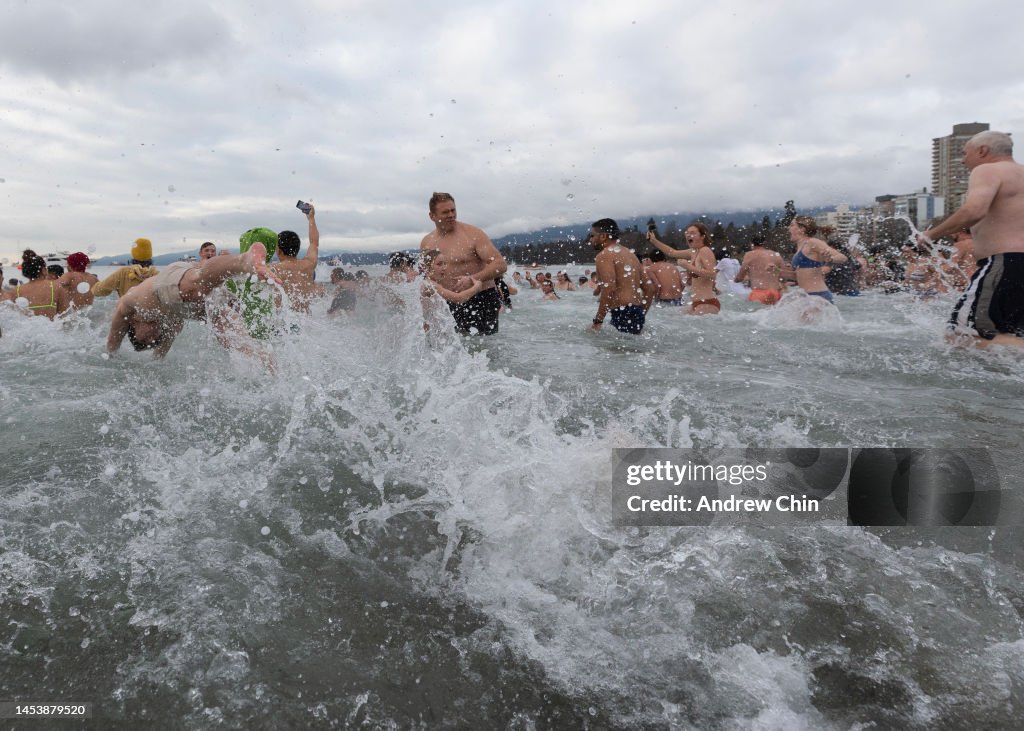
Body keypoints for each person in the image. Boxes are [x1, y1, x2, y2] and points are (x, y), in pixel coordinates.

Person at [921, 131, 1024, 346]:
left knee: (961, 336)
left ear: (983, 150)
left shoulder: (987, 170)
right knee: (1012, 336)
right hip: (1014, 265)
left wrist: (930, 235)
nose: (962, 159)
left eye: (964, 153)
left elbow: (974, 211)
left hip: (1006, 263)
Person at [105, 244, 280, 359]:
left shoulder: (131, 305)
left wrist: (111, 355)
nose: (152, 339)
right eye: (153, 342)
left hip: (166, 284)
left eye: (144, 339)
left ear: (134, 326)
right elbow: (159, 356)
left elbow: (115, 332)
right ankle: (268, 364)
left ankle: (243, 261)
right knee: (235, 343)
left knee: (197, 285)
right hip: (194, 303)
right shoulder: (171, 326)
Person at [419, 192, 507, 335]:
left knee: (483, 348)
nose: (451, 215)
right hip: (447, 300)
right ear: (432, 216)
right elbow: (426, 276)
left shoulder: (473, 234)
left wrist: (473, 279)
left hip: (480, 299)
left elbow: (500, 265)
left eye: (453, 210)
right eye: (445, 212)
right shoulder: (427, 242)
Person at [590, 218, 655, 334]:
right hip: (636, 311)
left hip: (622, 312)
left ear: (603, 236)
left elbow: (609, 287)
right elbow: (650, 289)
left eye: (593, 235)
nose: (591, 240)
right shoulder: (631, 255)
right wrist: (641, 314)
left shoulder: (604, 255)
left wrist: (598, 321)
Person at [649, 223, 720, 314]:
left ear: (703, 236)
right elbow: (672, 253)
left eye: (693, 233)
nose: (689, 235)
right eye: (687, 233)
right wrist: (654, 241)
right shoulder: (693, 252)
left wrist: (688, 266)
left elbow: (712, 273)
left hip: (707, 302)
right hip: (696, 303)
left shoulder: (705, 250)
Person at [273, 204, 321, 312]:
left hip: (285, 324)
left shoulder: (274, 269)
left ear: (279, 251)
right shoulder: (309, 264)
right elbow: (314, 243)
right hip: (305, 322)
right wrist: (311, 218)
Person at [788, 216, 848, 303]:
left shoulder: (812, 242)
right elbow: (799, 275)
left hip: (817, 295)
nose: (788, 228)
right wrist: (777, 272)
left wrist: (831, 259)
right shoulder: (800, 247)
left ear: (802, 229)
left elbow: (843, 258)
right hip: (807, 296)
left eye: (792, 225)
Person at [1, 250, 71, 319]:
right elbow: (64, 316)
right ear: (43, 270)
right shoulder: (56, 288)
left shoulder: (16, 291)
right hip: (50, 329)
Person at [92, 238, 158, 298]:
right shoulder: (158, 276)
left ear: (133, 253)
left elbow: (98, 291)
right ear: (150, 254)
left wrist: (93, 281)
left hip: (125, 310)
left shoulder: (122, 273)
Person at [735, 233, 784, 305]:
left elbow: (740, 276)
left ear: (752, 244)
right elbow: (784, 275)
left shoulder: (749, 254)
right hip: (776, 293)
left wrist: (736, 280)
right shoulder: (775, 254)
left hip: (759, 294)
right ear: (764, 244)